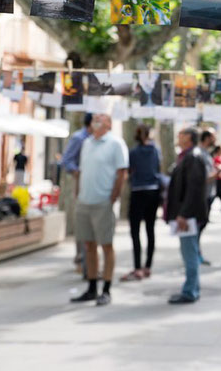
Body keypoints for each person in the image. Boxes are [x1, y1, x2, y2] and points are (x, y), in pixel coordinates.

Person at [70, 114, 128, 307]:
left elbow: (122, 172)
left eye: (100, 118)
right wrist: (78, 193)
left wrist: (113, 197)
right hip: (84, 201)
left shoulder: (115, 144)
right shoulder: (86, 143)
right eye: (94, 118)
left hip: (103, 202)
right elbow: (82, 170)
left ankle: (107, 289)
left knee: (106, 245)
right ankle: (92, 287)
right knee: (88, 245)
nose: (96, 120)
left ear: (109, 123)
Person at [166, 127, 207, 304]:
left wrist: (184, 214)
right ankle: (191, 288)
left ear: (189, 137)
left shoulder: (193, 157)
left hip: (188, 215)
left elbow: (194, 188)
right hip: (185, 214)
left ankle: (190, 291)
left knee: (189, 252)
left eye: (182, 134)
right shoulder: (188, 156)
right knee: (189, 252)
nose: (178, 136)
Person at [120, 123, 161, 282]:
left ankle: (137, 267)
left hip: (138, 191)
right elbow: (158, 167)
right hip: (153, 190)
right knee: (150, 229)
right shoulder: (155, 150)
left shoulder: (133, 152)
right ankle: (148, 266)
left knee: (135, 231)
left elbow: (130, 170)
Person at [60, 113, 93, 277]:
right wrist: (77, 172)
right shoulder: (79, 138)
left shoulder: (98, 140)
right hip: (81, 184)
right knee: (82, 223)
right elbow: (66, 160)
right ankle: (81, 260)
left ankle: (90, 263)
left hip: (95, 185)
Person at [196, 128, 217, 265]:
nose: (215, 140)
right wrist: (217, 173)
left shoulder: (206, 154)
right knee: (198, 226)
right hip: (203, 196)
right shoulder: (200, 155)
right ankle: (196, 255)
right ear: (207, 137)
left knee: (200, 226)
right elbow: (203, 178)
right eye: (213, 137)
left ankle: (196, 253)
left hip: (208, 195)